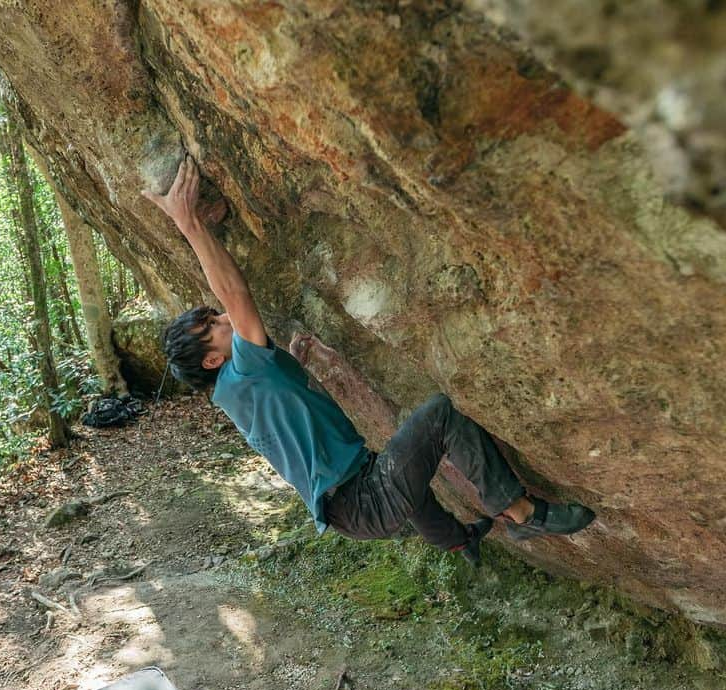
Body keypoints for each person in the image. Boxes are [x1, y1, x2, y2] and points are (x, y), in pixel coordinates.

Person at [143, 156, 594, 565]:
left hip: (355, 501)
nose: (225, 318)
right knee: (437, 418)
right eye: (215, 325)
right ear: (212, 360)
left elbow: (284, 407)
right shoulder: (243, 370)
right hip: (361, 500)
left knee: (410, 485)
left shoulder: (238, 391)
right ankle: (521, 514)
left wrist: (294, 369)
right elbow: (236, 294)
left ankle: (459, 541)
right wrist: (190, 225)